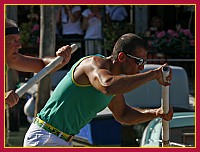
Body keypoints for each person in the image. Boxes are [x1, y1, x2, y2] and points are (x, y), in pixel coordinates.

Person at [23, 33, 173, 147]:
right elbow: (108, 86)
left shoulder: (114, 81)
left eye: (144, 62)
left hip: (61, 140)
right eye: (139, 61)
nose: (141, 67)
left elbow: (123, 115)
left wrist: (156, 113)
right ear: (121, 57)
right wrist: (153, 75)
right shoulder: (93, 64)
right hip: (44, 137)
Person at [5, 18, 72, 108]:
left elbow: (43, 66)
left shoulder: (10, 58)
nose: (19, 46)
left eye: (18, 40)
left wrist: (61, 59)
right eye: (14, 41)